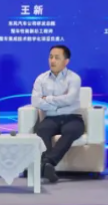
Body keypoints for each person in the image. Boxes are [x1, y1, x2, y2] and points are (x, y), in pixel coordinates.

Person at [31, 45, 85, 183]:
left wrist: (47, 99)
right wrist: (59, 103)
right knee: (42, 129)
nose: (52, 61)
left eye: (57, 57)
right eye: (51, 57)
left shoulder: (74, 78)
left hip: (73, 117)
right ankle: (47, 166)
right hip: (51, 118)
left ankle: (47, 163)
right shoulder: (41, 79)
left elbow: (70, 99)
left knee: (71, 131)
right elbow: (35, 101)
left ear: (66, 61)